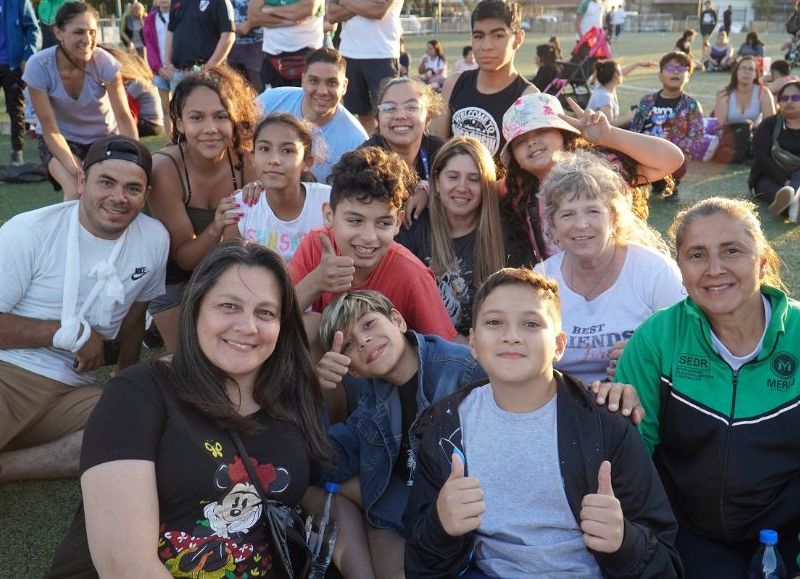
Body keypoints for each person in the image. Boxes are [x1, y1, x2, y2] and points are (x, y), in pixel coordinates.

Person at [45, 240, 332, 577]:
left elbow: (321, 492)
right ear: (195, 309)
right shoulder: (139, 393)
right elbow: (124, 564)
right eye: (228, 306)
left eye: (265, 312)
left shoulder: (295, 402)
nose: (248, 326)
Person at [404, 267, 682, 578]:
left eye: (531, 323)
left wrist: (624, 542)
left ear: (560, 345)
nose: (511, 336)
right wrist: (440, 526)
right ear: (472, 343)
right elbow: (419, 562)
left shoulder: (606, 425)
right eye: (495, 322)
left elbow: (666, 563)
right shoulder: (445, 427)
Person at [616, 197, 800, 578]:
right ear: (680, 269)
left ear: (761, 260)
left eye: (732, 251)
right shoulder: (657, 337)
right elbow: (632, 455)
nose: (715, 270)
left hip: (789, 536)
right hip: (691, 535)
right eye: (697, 255)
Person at [0, 135, 169, 483]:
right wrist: (71, 334)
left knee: (142, 426)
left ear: (146, 193)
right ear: (81, 181)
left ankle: (8, 468)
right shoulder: (30, 231)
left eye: (132, 188)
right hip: (10, 375)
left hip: (74, 391)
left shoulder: (154, 238)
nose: (118, 197)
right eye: (106, 182)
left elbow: (136, 318)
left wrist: (124, 381)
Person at [316, 289, 488, 579]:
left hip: (460, 519)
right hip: (402, 508)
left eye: (369, 324)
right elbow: (330, 457)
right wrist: (312, 390)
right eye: (348, 345)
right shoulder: (372, 396)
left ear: (397, 320)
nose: (364, 341)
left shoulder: (462, 370)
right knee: (309, 485)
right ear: (352, 371)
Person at [534, 149, 685, 384]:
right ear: (552, 227)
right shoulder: (542, 278)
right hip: (562, 401)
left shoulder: (654, 271)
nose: (581, 224)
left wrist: (646, 359)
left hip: (640, 400)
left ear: (614, 218)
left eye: (593, 211)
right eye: (567, 214)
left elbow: (688, 348)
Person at [288, 146, 457, 341]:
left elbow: (446, 352)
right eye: (355, 221)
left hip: (388, 368)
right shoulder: (317, 245)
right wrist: (316, 282)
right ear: (329, 215)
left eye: (383, 223)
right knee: (311, 325)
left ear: (397, 223)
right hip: (329, 365)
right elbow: (275, 319)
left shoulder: (413, 275)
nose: (369, 236)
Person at [148, 65, 259, 354]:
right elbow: (184, 259)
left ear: (234, 120)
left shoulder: (247, 163)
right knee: (190, 361)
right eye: (197, 118)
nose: (210, 129)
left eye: (221, 117)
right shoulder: (165, 169)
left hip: (227, 268)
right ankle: (148, 323)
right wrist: (216, 226)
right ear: (180, 123)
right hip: (172, 275)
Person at [503, 92, 684, 262]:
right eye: (520, 141)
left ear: (563, 134)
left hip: (621, 276)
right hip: (564, 288)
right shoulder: (519, 190)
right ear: (515, 160)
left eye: (541, 131)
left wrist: (610, 136)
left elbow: (672, 159)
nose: (532, 142)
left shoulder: (601, 167)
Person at [396, 137, 512, 336]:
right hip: (423, 347)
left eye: (474, 179)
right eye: (452, 177)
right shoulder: (412, 225)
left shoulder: (505, 233)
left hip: (486, 349)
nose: (462, 187)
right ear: (436, 183)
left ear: (486, 186)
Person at [23, 2, 138, 201]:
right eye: (79, 32)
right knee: (77, 189)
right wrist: (77, 170)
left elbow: (123, 118)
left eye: (93, 32)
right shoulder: (39, 66)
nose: (88, 39)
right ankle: (71, 232)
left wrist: (136, 160)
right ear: (58, 33)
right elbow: (50, 130)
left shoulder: (105, 63)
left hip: (103, 139)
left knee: (120, 189)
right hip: (61, 140)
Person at [431, 0, 537, 164]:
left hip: (499, 188)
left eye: (498, 36)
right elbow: (437, 147)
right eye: (478, 36)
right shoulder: (454, 83)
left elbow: (527, 165)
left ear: (518, 38)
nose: (486, 46)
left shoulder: (528, 97)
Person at [225, 113, 331, 260]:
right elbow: (231, 268)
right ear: (253, 157)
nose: (274, 160)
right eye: (264, 149)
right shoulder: (240, 207)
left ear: (307, 162)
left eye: (287, 151)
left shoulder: (328, 201)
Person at [257, 47, 368, 184]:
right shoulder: (269, 101)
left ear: (344, 86)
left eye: (332, 83)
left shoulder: (356, 141)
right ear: (303, 80)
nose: (322, 91)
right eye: (314, 81)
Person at [361, 76, 444, 217]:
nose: (400, 115)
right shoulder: (364, 161)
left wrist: (429, 190)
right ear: (378, 119)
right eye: (389, 108)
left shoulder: (440, 151)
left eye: (411, 107)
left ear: (428, 117)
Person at [629, 51, 705, 198]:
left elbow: (697, 138)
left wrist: (669, 147)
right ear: (659, 76)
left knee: (668, 174)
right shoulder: (647, 100)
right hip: (643, 155)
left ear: (688, 76)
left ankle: (667, 183)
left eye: (682, 69)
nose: (676, 72)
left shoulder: (691, 105)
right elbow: (634, 129)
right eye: (670, 68)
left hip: (671, 158)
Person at [327, 0, 402, 133]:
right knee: (363, 116)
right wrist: (367, 6)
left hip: (382, 54)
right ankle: (372, 150)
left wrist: (344, 2)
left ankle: (388, 151)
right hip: (349, 54)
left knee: (387, 114)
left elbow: (379, 11)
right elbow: (332, 15)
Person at [749, 80, 800, 223]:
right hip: (768, 176)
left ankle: (792, 203)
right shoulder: (769, 124)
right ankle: (792, 204)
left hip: (798, 177)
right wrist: (785, 180)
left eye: (795, 98)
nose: (789, 102)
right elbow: (761, 155)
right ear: (779, 102)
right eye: (785, 98)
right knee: (781, 194)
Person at [246, 0, 324, 91]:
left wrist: (269, 10)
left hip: (307, 55)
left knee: (305, 103)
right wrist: (286, 21)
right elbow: (253, 16)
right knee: (273, 103)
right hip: (272, 57)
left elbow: (307, 9)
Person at [0, 0, 40, 167]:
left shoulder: (19, 2)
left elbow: (33, 29)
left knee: (14, 109)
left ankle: (17, 155)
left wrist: (27, 56)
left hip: (12, 65)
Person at [164, 0, 235, 91]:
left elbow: (229, 35)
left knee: (208, 105)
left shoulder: (221, 2)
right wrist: (167, 62)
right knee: (179, 105)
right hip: (178, 73)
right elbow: (171, 31)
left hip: (206, 74)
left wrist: (210, 66)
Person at [104, 45, 164, 137]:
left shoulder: (138, 83)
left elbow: (126, 101)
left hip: (150, 124)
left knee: (118, 124)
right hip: (156, 124)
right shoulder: (146, 80)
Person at [587, 59, 657, 126]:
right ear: (615, 75)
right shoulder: (604, 97)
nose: (622, 73)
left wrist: (637, 64)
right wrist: (631, 115)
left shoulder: (601, 86)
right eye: (619, 71)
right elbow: (609, 124)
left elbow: (621, 73)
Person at [714, 55, 775, 131]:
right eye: (743, 68)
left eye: (751, 69)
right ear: (736, 72)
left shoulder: (764, 93)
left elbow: (771, 124)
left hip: (756, 136)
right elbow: (719, 126)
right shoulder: (724, 94)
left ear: (755, 75)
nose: (746, 72)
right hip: (729, 138)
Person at [142, 0, 172, 136]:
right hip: (159, 71)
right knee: (166, 109)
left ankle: (183, 139)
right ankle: (170, 140)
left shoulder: (180, 15)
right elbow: (150, 46)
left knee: (182, 107)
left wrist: (174, 67)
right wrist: (159, 68)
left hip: (177, 69)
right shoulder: (150, 19)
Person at [226, 0, 263, 91]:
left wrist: (248, 25)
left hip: (256, 44)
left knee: (258, 88)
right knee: (233, 86)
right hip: (228, 45)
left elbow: (268, 10)